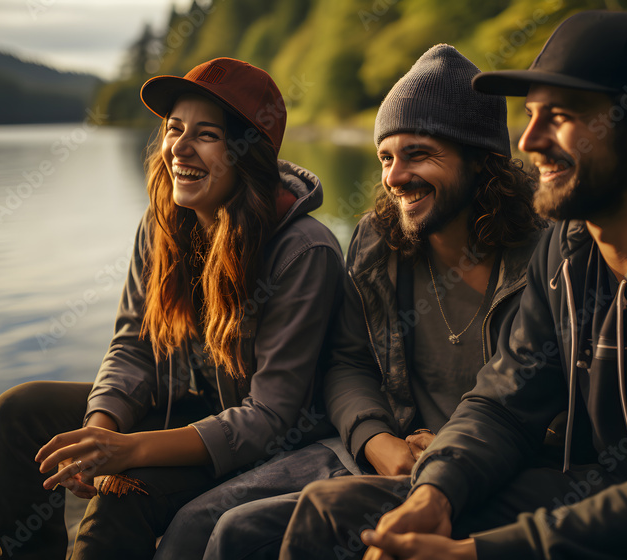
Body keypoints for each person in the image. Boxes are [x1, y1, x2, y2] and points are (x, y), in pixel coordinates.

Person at [279, 10, 627, 560]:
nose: (529, 140)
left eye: (558, 116)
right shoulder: (566, 252)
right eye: (530, 115)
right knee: (334, 517)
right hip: (600, 491)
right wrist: (433, 495)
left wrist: (474, 554)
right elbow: (503, 405)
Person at [153, 44, 545, 560]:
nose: (395, 177)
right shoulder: (379, 241)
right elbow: (348, 362)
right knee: (196, 523)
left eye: (419, 154)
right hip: (386, 449)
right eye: (386, 157)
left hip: (493, 466)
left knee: (240, 533)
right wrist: (376, 439)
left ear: (481, 160)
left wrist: (448, 455)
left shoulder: (545, 252)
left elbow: (541, 397)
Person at [0, 57, 344, 559]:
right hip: (178, 405)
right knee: (18, 412)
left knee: (121, 495)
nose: (179, 147)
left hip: (260, 448)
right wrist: (101, 427)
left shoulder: (304, 252)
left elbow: (269, 419)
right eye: (174, 128)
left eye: (206, 134)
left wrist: (127, 452)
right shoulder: (162, 227)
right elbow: (134, 345)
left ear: (248, 154)